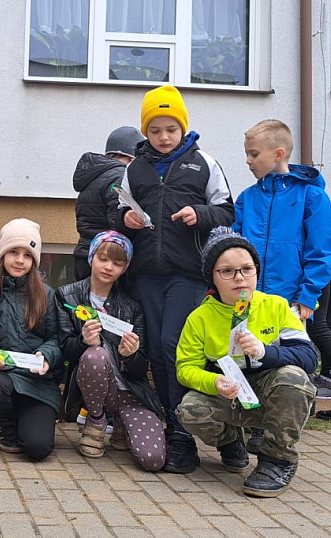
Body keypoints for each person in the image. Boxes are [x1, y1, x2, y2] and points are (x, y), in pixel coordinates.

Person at [115, 84, 234, 474]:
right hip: (147, 274)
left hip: (187, 274)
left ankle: (187, 435)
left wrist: (199, 214)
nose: (163, 137)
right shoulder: (135, 168)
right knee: (154, 353)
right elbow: (120, 212)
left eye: (171, 129)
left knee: (172, 347)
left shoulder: (203, 163)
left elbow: (226, 211)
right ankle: (175, 431)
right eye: (155, 130)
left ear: (183, 127)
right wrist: (126, 221)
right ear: (145, 132)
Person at [176, 227, 317, 498]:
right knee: (190, 409)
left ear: (256, 270)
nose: (239, 278)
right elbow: (185, 368)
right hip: (229, 391)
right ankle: (230, 441)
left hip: (270, 391)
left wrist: (266, 352)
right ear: (212, 277)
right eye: (227, 271)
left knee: (294, 379)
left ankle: (278, 460)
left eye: (247, 269)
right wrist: (213, 381)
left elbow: (308, 356)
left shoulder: (277, 306)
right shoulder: (199, 317)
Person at [232, 119, 331, 445]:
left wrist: (307, 296)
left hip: (289, 299)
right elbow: (235, 248)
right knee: (250, 358)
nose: (247, 161)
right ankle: (249, 423)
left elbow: (320, 252)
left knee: (285, 361)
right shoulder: (247, 199)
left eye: (253, 154)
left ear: (277, 153)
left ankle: (274, 433)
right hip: (249, 299)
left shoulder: (312, 199)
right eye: (246, 154)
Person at [56, 231, 165, 470]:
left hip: (128, 391)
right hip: (91, 388)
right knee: (95, 355)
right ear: (91, 257)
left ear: (125, 268)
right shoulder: (67, 296)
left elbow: (139, 369)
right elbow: (65, 352)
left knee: (153, 459)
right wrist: (83, 340)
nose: (108, 267)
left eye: (118, 263)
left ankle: (121, 426)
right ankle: (96, 421)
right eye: (103, 258)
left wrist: (131, 354)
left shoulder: (131, 306)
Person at [0, 219, 62, 461]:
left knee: (38, 449)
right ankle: (8, 422)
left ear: (34, 260)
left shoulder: (46, 295)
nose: (19, 260)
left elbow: (57, 338)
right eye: (13, 252)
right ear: (3, 254)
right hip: (1, 376)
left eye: (28, 255)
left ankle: (27, 421)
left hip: (37, 383)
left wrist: (47, 355)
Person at [73, 126, 145, 280]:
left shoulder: (94, 175)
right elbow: (118, 225)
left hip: (86, 255)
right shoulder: (119, 176)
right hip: (107, 261)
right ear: (132, 157)